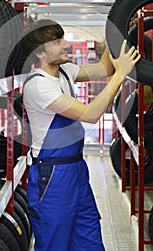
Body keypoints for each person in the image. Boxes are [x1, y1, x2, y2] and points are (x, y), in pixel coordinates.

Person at [21, 19, 140, 251]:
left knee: (90, 240)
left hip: (77, 171)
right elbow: (89, 114)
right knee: (54, 244)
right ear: (40, 54)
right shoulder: (38, 86)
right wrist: (120, 75)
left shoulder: (64, 71)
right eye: (57, 41)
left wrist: (110, 38)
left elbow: (104, 69)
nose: (65, 45)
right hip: (52, 177)